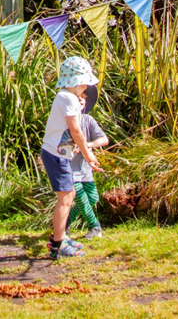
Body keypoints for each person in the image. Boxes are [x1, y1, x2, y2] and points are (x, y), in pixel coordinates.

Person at [40, 56, 102, 259]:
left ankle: (60, 237)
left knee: (70, 194)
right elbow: (75, 130)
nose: (85, 88)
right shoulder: (66, 98)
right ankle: (58, 244)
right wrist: (88, 153)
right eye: (84, 83)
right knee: (65, 198)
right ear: (75, 81)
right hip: (55, 155)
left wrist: (87, 152)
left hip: (60, 154)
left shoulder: (69, 98)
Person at [67, 85, 109, 240]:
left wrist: (87, 146)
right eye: (78, 97)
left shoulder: (88, 120)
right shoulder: (66, 121)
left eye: (83, 98)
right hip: (70, 167)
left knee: (92, 198)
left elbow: (104, 139)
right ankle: (94, 226)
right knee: (79, 195)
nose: (81, 100)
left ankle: (65, 222)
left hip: (85, 168)